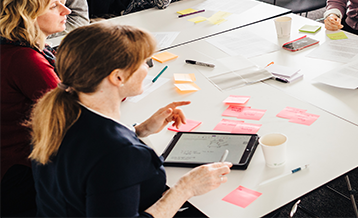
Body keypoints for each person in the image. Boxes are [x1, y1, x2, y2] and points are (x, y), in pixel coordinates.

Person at [29, 23, 232, 217]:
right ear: (118, 78)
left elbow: (89, 155)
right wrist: (185, 189)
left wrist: (139, 131)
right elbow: (109, 158)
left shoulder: (56, 116)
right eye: (144, 62)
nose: (147, 68)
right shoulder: (119, 154)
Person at [0, 0, 70, 215]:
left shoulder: (16, 47)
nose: (66, 10)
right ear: (25, 14)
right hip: (23, 173)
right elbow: (73, 111)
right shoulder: (24, 60)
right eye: (54, 6)